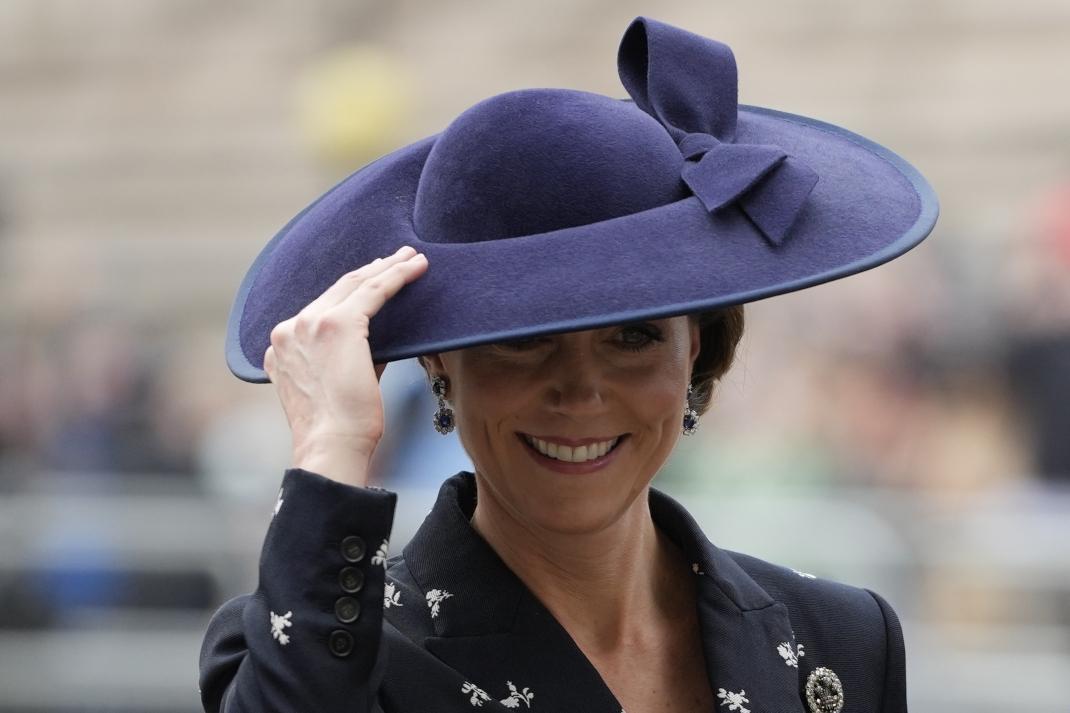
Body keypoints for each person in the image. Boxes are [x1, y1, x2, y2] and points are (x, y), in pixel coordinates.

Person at [201, 17, 938, 713]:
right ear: (439, 361)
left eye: (633, 337)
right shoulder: (335, 654)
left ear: (696, 351)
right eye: (524, 339)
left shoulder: (839, 641)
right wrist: (332, 446)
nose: (580, 391)